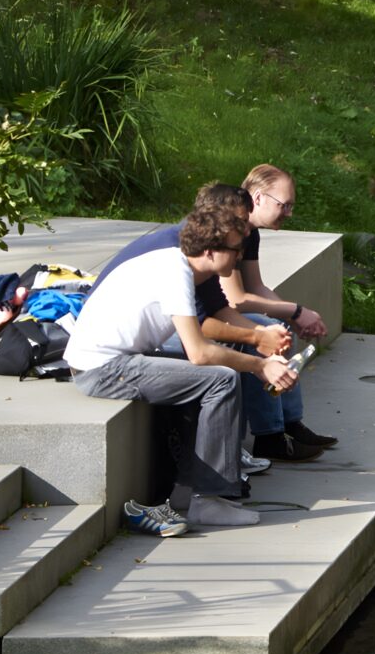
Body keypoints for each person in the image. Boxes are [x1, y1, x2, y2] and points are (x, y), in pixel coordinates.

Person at [67, 208, 297, 535]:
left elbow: (205, 336)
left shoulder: (179, 265)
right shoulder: (175, 272)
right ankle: (209, 499)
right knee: (222, 378)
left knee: (210, 375)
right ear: (209, 251)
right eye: (235, 249)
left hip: (115, 359)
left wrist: (259, 352)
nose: (239, 256)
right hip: (102, 368)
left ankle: (187, 484)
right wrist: (260, 366)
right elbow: (200, 352)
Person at [103, 165, 336, 459]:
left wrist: (267, 330)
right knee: (237, 354)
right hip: (131, 344)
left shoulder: (216, 245)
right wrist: (256, 336)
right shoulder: (182, 256)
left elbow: (219, 307)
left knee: (266, 330)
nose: (244, 236)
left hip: (169, 327)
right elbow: (203, 326)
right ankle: (264, 439)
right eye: (239, 226)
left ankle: (287, 426)